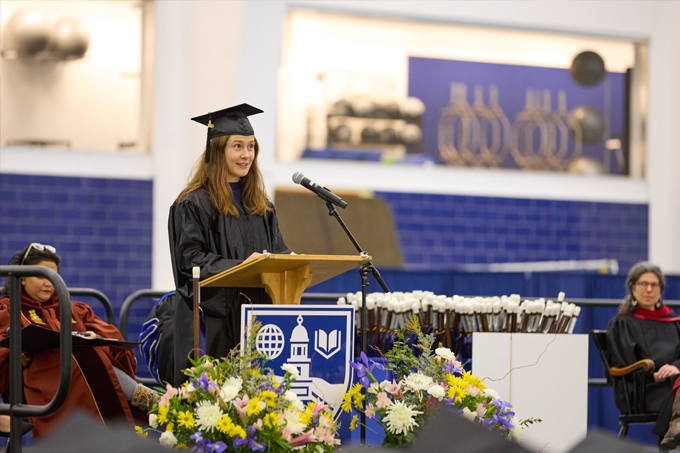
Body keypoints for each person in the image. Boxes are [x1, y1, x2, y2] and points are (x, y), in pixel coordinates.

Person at [168, 103, 290, 377]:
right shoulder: (194, 203)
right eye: (238, 146)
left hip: (259, 323)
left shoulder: (261, 205)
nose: (246, 154)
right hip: (213, 323)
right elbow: (189, 261)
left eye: (251, 146)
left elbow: (279, 254)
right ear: (217, 149)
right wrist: (239, 267)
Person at [0, 243, 159, 438]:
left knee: (86, 352)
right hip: (38, 378)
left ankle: (139, 400)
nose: (48, 283)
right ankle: (143, 397)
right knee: (77, 356)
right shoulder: (8, 308)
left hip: (77, 372)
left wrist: (96, 337)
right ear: (22, 277)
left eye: (54, 277)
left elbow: (112, 337)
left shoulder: (72, 308)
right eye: (41, 276)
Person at [606, 261, 680, 449]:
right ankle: (672, 432)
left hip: (674, 382)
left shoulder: (673, 321)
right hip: (643, 390)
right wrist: (651, 375)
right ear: (632, 288)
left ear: (661, 289)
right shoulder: (623, 323)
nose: (649, 289)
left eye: (654, 284)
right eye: (643, 284)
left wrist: (676, 366)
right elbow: (622, 362)